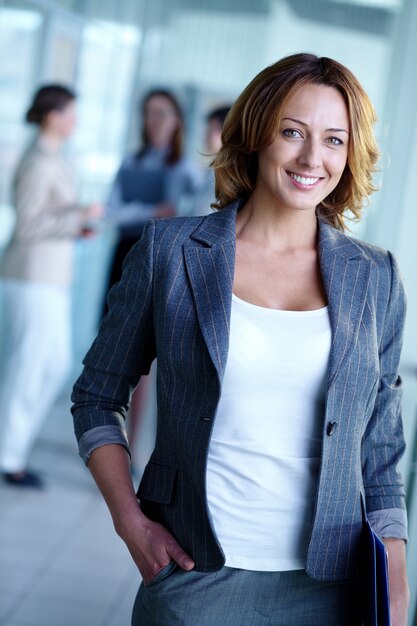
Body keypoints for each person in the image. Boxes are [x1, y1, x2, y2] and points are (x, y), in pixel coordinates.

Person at [71, 53, 409, 625]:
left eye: (333, 139)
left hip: (333, 585)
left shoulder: (375, 276)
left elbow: (379, 448)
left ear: (351, 153)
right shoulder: (170, 252)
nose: (311, 157)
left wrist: (395, 587)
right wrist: (129, 522)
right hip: (195, 574)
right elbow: (97, 397)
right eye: (292, 132)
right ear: (255, 134)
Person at [0, 84, 102, 488]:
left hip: (48, 279)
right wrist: (78, 218)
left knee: (52, 364)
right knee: (27, 369)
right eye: (70, 112)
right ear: (52, 115)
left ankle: (12, 449)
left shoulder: (53, 158)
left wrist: (76, 224)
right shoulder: (38, 161)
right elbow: (28, 226)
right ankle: (8, 457)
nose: (75, 121)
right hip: (30, 278)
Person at [102, 89, 204, 459]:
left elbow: (185, 211)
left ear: (177, 120)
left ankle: (140, 448)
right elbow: (113, 211)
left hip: (162, 259)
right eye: (149, 113)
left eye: (163, 113)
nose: (156, 121)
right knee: (121, 349)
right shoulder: (132, 161)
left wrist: (146, 211)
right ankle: (114, 441)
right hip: (125, 254)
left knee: (154, 356)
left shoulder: (186, 169)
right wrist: (152, 210)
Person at [193, 105, 231, 216]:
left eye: (213, 129)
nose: (207, 134)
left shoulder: (227, 178)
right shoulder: (210, 172)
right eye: (208, 129)